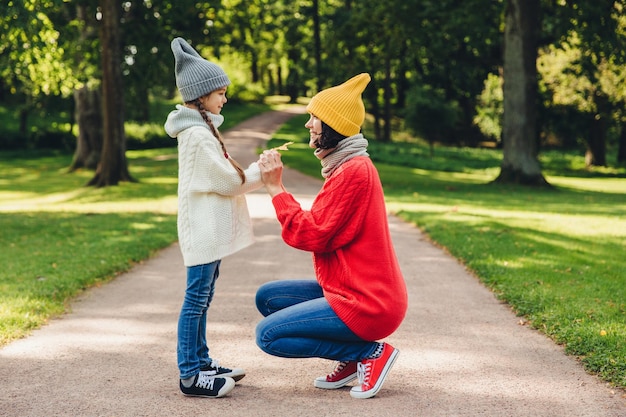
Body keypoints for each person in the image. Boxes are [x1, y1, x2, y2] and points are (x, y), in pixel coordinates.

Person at [255, 73, 408, 399]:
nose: (309, 125)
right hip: (352, 291)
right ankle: (350, 358)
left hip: (369, 303)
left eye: (316, 118)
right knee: (268, 298)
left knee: (268, 336)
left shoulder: (353, 172)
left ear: (334, 126)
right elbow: (321, 226)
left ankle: (368, 354)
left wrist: (276, 189)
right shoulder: (346, 167)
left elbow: (310, 234)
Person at [164, 37, 264, 398]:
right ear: (201, 95)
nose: (224, 98)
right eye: (220, 93)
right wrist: (261, 172)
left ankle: (202, 360)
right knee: (195, 300)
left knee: (203, 298)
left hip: (208, 230)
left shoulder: (202, 129)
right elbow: (225, 180)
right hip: (202, 231)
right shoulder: (195, 134)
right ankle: (190, 374)